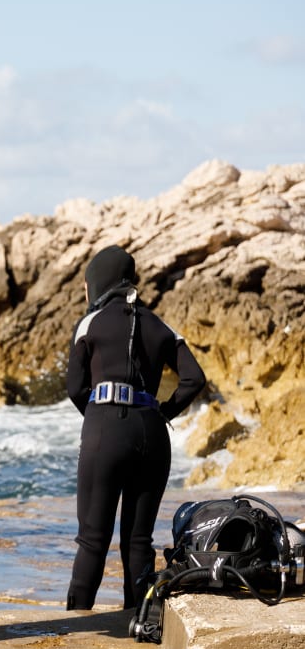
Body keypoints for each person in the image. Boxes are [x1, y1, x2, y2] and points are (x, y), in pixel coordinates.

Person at [65, 245, 206, 611]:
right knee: (139, 538)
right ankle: (140, 622)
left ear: (97, 283)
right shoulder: (160, 324)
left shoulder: (89, 322)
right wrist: (164, 412)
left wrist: (99, 418)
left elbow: (74, 387)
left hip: (105, 429)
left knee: (93, 539)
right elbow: (194, 378)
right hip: (152, 433)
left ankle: (77, 625)